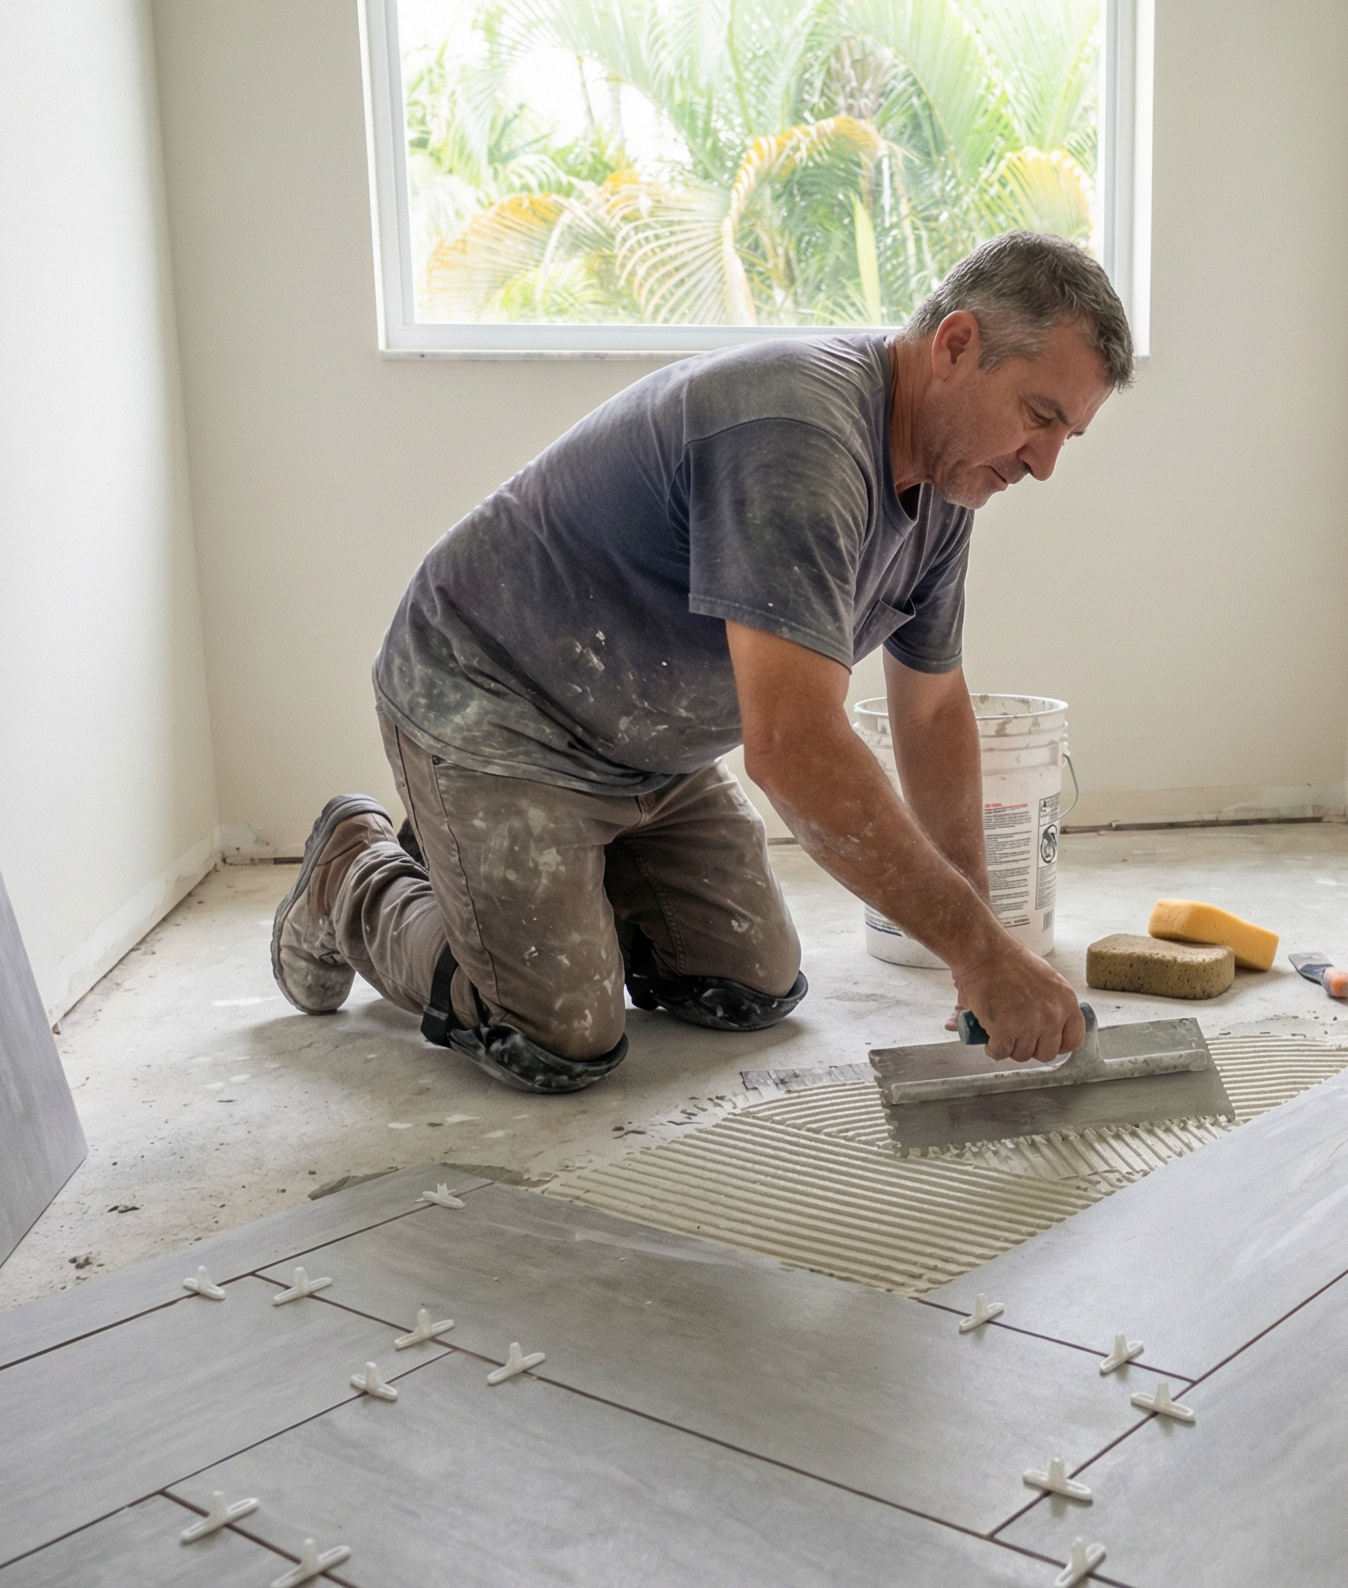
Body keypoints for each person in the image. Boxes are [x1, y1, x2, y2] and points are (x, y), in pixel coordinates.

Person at [268, 231, 1133, 1094]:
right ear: (956, 345)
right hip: (496, 708)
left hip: (649, 747)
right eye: (1040, 415)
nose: (1046, 464)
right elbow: (793, 747)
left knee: (748, 987)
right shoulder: (802, 436)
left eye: (1071, 434)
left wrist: (977, 945)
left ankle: (531, 880)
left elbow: (934, 710)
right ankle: (355, 871)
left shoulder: (946, 489)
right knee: (559, 1033)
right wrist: (983, 955)